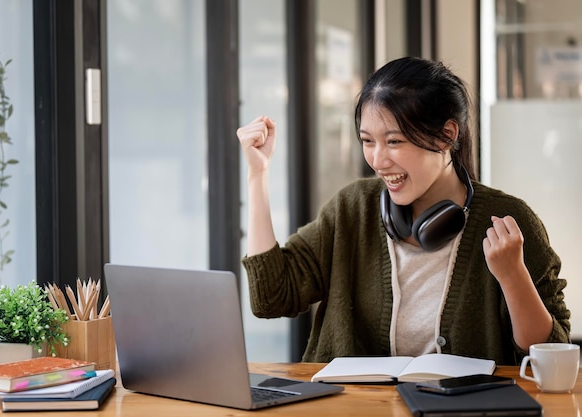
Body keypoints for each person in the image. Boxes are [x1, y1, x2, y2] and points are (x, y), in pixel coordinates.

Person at [236, 56, 570, 365]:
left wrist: (513, 276)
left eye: (394, 141)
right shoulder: (352, 209)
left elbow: (549, 351)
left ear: (445, 136)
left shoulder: (508, 220)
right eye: (368, 141)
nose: (378, 161)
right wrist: (257, 175)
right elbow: (270, 297)